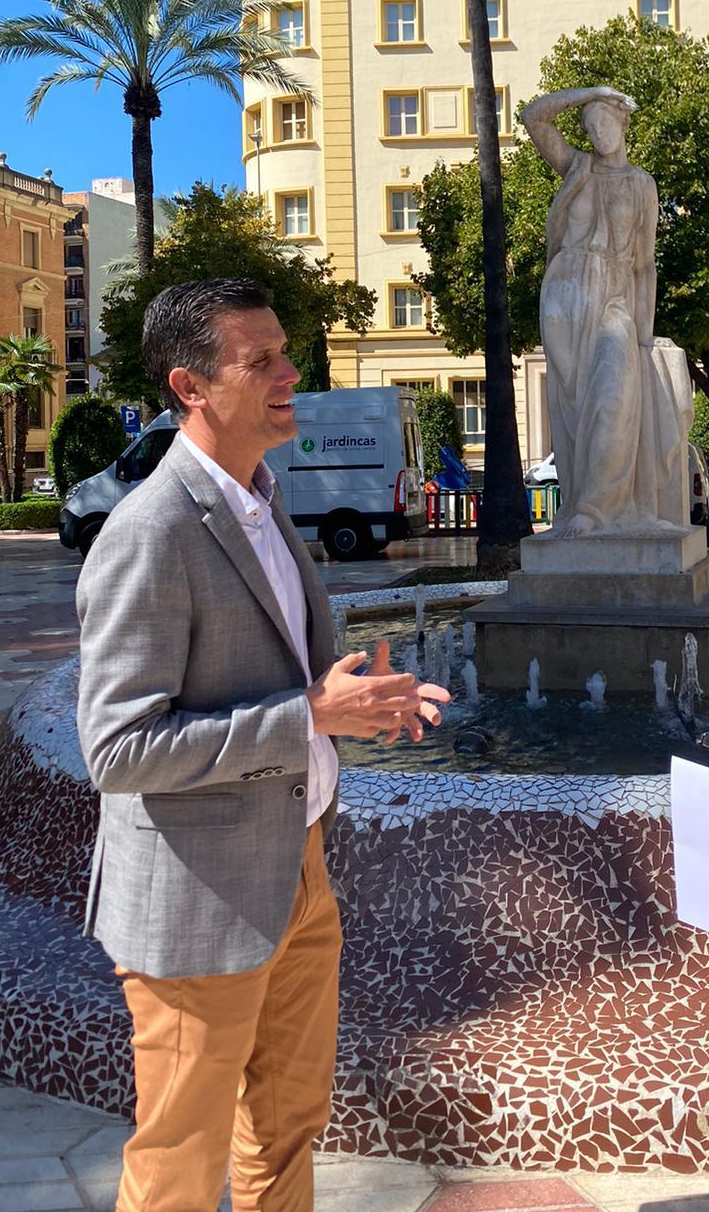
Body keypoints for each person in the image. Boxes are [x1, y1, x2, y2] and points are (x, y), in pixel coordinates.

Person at [76, 278, 450, 1212]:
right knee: (181, 1163)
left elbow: (298, 680)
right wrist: (308, 719)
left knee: (287, 1132)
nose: (292, 374)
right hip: (198, 898)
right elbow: (117, 750)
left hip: (300, 873)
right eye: (262, 361)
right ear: (191, 387)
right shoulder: (150, 532)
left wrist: (367, 704)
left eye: (286, 353)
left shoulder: (263, 501)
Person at [520, 85, 691, 536]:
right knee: (574, 405)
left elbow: (647, 263)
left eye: (606, 122)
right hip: (564, 290)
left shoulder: (641, 184)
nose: (598, 133)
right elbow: (533, 118)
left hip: (615, 292)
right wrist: (591, 93)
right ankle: (579, 501)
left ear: (622, 123)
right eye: (590, 126)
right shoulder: (577, 167)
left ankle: (595, 508)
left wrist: (643, 333)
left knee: (613, 393)